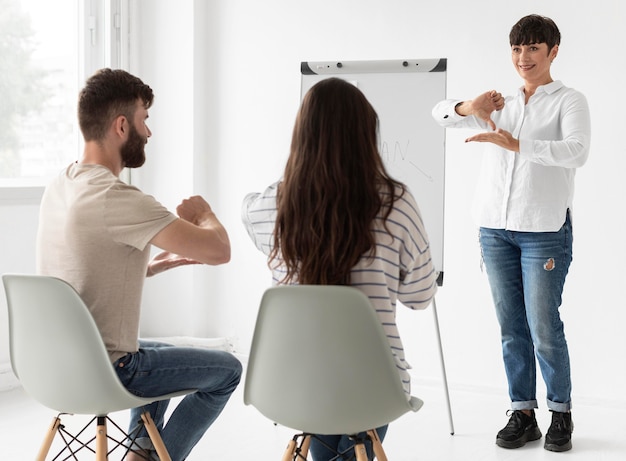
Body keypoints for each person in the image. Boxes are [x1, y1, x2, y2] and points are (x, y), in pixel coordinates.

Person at [36, 68, 243, 461]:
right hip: (110, 370)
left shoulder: (60, 186)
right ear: (120, 125)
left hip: (54, 363)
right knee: (228, 370)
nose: (149, 132)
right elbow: (219, 250)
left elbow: (77, 270)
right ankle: (151, 459)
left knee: (159, 350)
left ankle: (138, 453)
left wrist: (149, 266)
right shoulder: (119, 198)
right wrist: (204, 213)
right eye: (144, 120)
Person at [242, 77, 438, 460]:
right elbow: (420, 296)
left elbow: (246, 211)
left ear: (302, 134)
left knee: (324, 416)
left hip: (290, 382)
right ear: (364, 135)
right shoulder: (396, 204)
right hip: (373, 385)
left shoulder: (270, 206)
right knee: (353, 417)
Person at [432, 14, 590, 452]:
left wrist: (517, 145)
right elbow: (440, 114)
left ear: (553, 52)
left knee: (543, 325)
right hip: (494, 231)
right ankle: (523, 412)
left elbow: (577, 152)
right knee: (510, 327)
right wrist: (470, 108)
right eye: (517, 49)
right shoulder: (501, 102)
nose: (524, 58)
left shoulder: (569, 100)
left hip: (543, 230)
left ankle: (561, 413)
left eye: (534, 49)